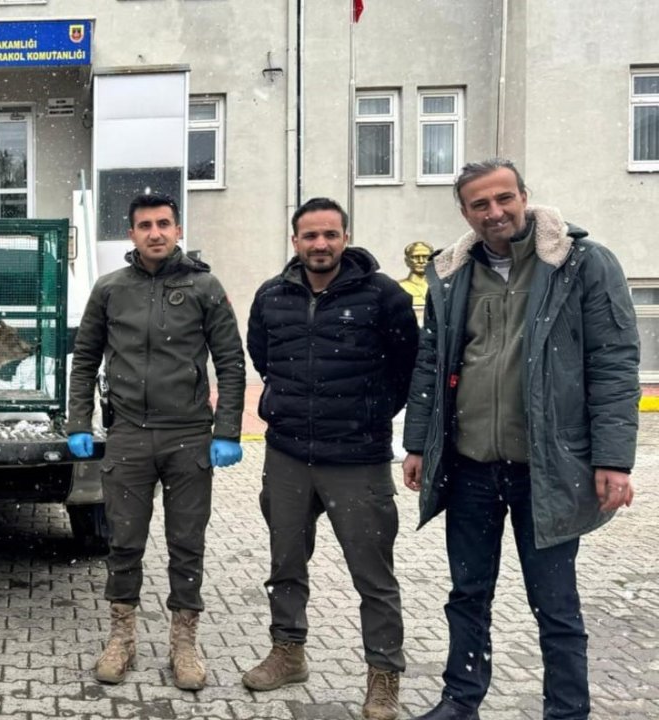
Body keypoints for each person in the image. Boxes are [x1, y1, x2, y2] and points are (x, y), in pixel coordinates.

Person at [402, 159, 640, 720]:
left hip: (547, 469)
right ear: (465, 212)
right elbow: (431, 364)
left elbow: (614, 362)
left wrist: (612, 458)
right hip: (470, 468)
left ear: (525, 197)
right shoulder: (453, 273)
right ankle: (461, 700)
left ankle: (566, 711)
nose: (495, 212)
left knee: (555, 606)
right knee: (467, 595)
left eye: (504, 198)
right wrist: (417, 443)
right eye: (479, 204)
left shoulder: (582, 263)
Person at [242, 197, 418, 720]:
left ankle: (383, 676)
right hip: (288, 453)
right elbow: (263, 355)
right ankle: (288, 653)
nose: (320, 244)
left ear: (345, 237)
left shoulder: (383, 295)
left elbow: (408, 365)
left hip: (358, 459)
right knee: (286, 565)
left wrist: (368, 412)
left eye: (330, 235)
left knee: (374, 577)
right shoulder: (272, 296)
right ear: (295, 241)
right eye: (310, 236)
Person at [66, 192, 247, 691]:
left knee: (186, 544)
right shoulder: (110, 290)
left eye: (164, 223)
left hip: (188, 437)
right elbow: (84, 361)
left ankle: (183, 641)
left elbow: (231, 362)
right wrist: (79, 422)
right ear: (131, 234)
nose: (155, 233)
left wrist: (226, 430)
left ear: (178, 229)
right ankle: (122, 637)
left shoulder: (205, 287)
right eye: (144, 225)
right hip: (128, 437)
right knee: (123, 542)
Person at [398, 241, 433, 323]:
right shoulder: (398, 287)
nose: (421, 261)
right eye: (415, 257)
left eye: (426, 257)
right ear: (407, 261)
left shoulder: (439, 287)